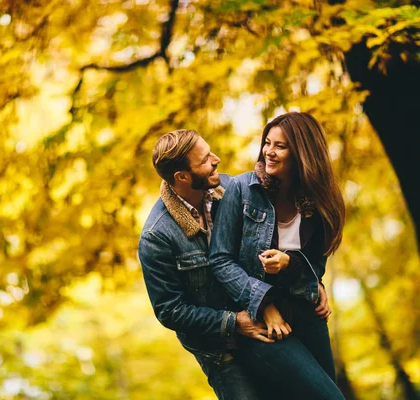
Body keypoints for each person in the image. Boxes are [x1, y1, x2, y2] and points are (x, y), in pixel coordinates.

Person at [138, 128, 334, 399]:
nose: (216, 160)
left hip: (268, 319)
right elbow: (170, 310)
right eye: (205, 159)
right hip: (220, 349)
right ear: (182, 177)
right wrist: (234, 322)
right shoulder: (156, 236)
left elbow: (284, 238)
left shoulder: (236, 190)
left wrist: (311, 280)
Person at [209, 111, 346, 398]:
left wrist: (291, 265)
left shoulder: (319, 202)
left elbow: (315, 266)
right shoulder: (241, 189)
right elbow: (220, 260)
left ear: (302, 152)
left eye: (280, 146)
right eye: (267, 143)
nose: (268, 152)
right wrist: (265, 305)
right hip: (261, 321)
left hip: (307, 313)